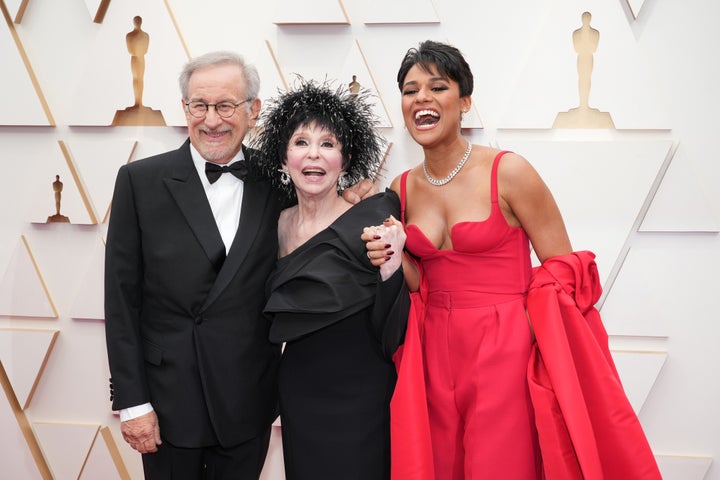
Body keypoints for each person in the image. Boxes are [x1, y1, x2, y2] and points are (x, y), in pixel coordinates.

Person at [365, 40, 661, 479]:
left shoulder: (509, 170)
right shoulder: (402, 186)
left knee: (500, 465)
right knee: (442, 464)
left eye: (438, 87)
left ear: (464, 101)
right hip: (431, 349)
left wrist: (521, 326)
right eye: (410, 91)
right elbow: (419, 279)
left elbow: (565, 268)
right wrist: (391, 252)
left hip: (503, 348)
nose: (421, 98)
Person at [104, 51, 374, 480]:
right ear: (185, 109)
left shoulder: (278, 181)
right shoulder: (140, 181)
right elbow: (121, 302)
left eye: (226, 106)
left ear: (253, 111)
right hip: (168, 404)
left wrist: (360, 205)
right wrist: (134, 403)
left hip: (247, 400)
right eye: (200, 106)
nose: (212, 120)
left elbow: (319, 217)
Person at [250, 79, 409, 480]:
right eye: (301, 142)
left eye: (328, 143)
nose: (313, 154)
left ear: (345, 157)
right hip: (300, 390)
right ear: (283, 159)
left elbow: (395, 331)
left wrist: (392, 266)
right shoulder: (269, 224)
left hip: (365, 391)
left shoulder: (373, 217)